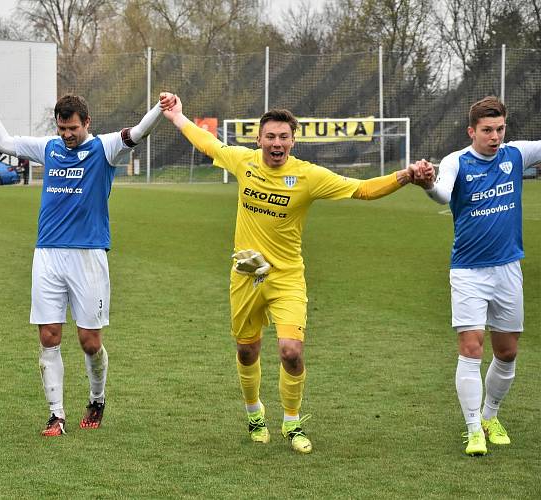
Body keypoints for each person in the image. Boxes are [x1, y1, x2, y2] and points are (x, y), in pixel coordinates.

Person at [162, 96, 423, 453]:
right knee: (246, 351)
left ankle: (292, 422)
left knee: (290, 351)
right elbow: (207, 141)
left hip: (286, 277)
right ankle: (255, 414)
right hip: (247, 273)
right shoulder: (243, 162)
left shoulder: (307, 176)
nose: (277, 143)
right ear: (259, 140)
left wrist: (405, 176)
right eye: (270, 137)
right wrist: (177, 116)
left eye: (284, 137)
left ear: (293, 141)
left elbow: (361, 189)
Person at [0, 67, 173, 436]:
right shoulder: (48, 148)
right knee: (49, 335)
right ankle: (56, 415)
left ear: (86, 123)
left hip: (88, 256)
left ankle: (97, 398)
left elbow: (138, 132)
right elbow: (1, 141)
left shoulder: (104, 148)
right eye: (62, 129)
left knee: (89, 340)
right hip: (47, 254)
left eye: (73, 129)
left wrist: (160, 108)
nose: (66, 136)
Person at [412, 96, 540, 456]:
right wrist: (425, 184)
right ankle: (473, 430)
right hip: (468, 270)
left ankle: (490, 416)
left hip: (508, 269)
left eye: (500, 129)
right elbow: (442, 194)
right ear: (472, 131)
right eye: (487, 130)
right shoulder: (457, 161)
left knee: (508, 352)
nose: (495, 136)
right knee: (471, 348)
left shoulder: (516, 155)